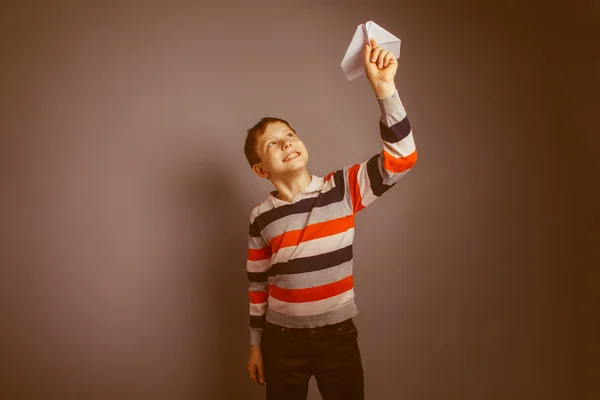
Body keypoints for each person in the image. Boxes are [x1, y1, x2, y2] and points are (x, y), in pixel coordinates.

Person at [244, 38, 417, 399]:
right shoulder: (260, 217)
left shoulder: (343, 188)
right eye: (273, 143)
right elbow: (258, 285)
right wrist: (256, 345)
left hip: (336, 337)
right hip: (281, 342)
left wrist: (385, 89)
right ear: (261, 170)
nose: (286, 142)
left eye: (289, 134)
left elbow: (402, 158)